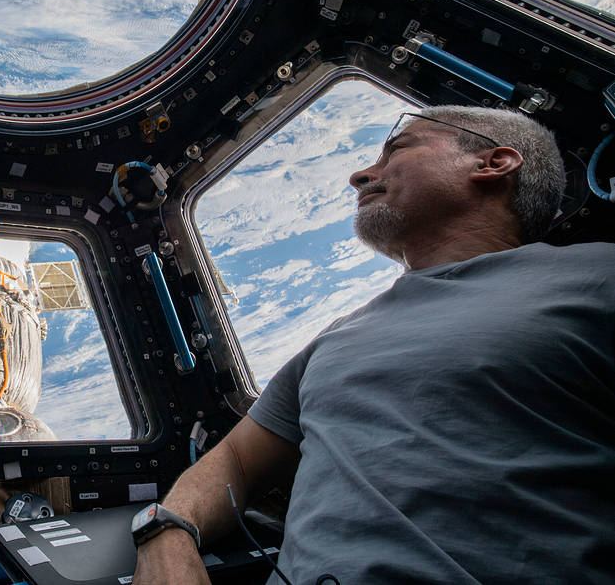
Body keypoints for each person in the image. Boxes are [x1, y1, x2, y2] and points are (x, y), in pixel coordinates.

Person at [133, 106, 615, 584]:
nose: (360, 174)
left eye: (397, 149)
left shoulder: (597, 276)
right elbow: (235, 460)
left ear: (492, 163)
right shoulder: (335, 339)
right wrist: (167, 533)